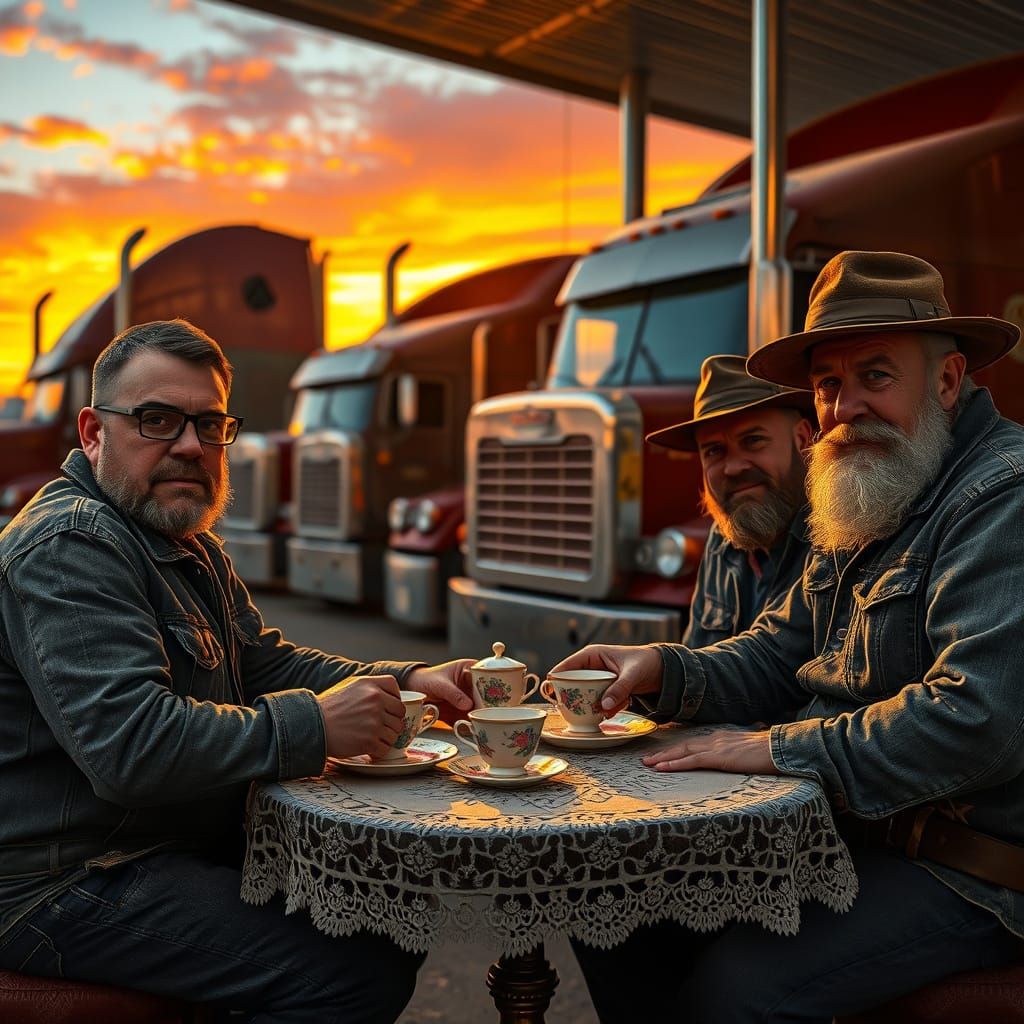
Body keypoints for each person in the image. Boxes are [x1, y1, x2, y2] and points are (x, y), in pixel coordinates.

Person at [555, 251, 1024, 1023]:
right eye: (829, 384)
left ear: (947, 382)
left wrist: (778, 750)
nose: (844, 409)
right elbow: (781, 647)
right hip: (852, 833)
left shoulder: (999, 493)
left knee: (738, 993)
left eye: (875, 376)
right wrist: (660, 669)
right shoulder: (873, 478)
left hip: (970, 870)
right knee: (613, 900)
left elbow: (977, 719)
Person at [0, 319, 475, 1023]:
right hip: (58, 881)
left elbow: (266, 663)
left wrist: (404, 679)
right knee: (351, 971)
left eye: (210, 424)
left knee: (378, 915)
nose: (191, 446)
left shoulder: (179, 539)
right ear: (94, 432)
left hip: (148, 850)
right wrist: (315, 725)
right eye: (157, 420)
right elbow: (132, 749)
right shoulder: (72, 543)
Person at [646, 353, 815, 648]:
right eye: (713, 451)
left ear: (802, 440)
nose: (733, 467)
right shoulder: (722, 540)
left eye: (753, 440)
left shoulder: (838, 539)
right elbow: (698, 658)